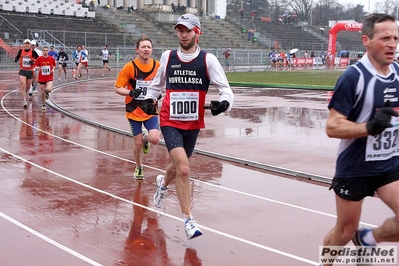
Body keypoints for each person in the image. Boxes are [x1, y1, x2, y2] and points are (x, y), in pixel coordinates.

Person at [143, 14, 234, 240]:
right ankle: (189, 219)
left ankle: (162, 184)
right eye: (180, 30)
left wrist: (224, 104)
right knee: (183, 168)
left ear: (197, 32)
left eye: (188, 30)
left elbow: (226, 90)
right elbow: (156, 85)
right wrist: (149, 99)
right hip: (169, 120)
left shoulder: (208, 60)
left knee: (177, 167)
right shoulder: (168, 56)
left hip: (193, 123)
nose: (183, 34)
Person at [320, 13, 399, 266]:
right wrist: (369, 127)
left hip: (390, 164)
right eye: (385, 38)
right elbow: (332, 126)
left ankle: (368, 238)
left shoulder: (398, 73)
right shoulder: (354, 77)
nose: (392, 44)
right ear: (366, 40)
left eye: (396, 38)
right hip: (355, 168)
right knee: (344, 232)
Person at [114, 37, 161, 180]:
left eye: (148, 47)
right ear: (137, 50)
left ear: (151, 50)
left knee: (155, 139)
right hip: (133, 109)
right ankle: (139, 167)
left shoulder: (158, 66)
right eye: (143, 47)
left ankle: (146, 139)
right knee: (137, 142)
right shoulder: (129, 67)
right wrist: (130, 92)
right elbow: (117, 88)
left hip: (150, 108)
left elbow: (162, 84)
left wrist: (158, 94)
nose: (146, 49)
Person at [14, 39, 39, 108]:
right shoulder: (21, 51)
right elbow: (17, 57)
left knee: (27, 88)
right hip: (22, 70)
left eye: (28, 43)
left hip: (30, 71)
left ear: (30, 45)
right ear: (24, 45)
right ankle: (24, 101)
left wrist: (33, 62)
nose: (27, 44)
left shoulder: (33, 52)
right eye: (26, 43)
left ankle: (24, 92)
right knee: (23, 85)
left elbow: (39, 60)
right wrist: (16, 59)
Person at [33, 45, 57, 111]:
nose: (46, 52)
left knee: (49, 89)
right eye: (44, 50)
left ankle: (47, 93)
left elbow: (54, 65)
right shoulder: (39, 58)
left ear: (48, 51)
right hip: (42, 78)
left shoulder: (51, 58)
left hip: (49, 77)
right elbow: (35, 65)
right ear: (42, 51)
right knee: (42, 92)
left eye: (47, 50)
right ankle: (43, 104)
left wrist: (53, 69)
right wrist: (37, 68)